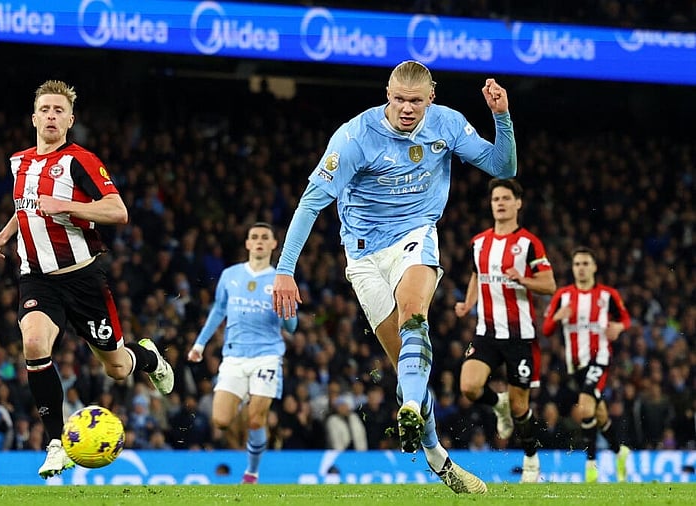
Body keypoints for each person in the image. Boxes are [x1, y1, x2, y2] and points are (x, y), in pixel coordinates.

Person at [273, 60, 517, 494]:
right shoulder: (354, 138)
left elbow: (503, 167)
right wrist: (285, 270)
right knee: (405, 364)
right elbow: (311, 204)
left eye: (416, 101)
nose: (407, 109)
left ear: (432, 97)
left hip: (416, 235)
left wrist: (501, 115)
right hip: (364, 255)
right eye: (399, 99)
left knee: (413, 315)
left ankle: (407, 406)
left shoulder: (447, 124)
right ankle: (436, 453)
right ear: (387, 94)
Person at [0, 80, 174, 479]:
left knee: (117, 368)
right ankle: (56, 443)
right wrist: (6, 234)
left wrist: (68, 206)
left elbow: (117, 211)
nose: (51, 116)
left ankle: (149, 357)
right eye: (45, 110)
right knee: (33, 343)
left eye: (58, 111)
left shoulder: (80, 161)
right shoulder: (19, 161)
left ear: (70, 119)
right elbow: (28, 207)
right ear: (34, 117)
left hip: (82, 279)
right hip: (36, 279)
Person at [454, 177, 556, 483]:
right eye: (495, 199)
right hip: (486, 332)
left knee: (520, 406)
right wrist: (467, 303)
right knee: (469, 387)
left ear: (518, 203)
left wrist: (522, 278)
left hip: (519, 337)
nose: (499, 203)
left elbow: (549, 285)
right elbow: (476, 275)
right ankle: (495, 403)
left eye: (505, 198)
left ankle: (531, 460)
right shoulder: (478, 242)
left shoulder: (528, 243)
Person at [187, 222, 298, 484]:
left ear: (273, 245)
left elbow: (292, 327)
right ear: (247, 244)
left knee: (256, 420)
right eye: (254, 237)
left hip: (267, 356)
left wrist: (286, 310)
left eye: (264, 238)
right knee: (221, 420)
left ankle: (252, 472)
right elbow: (218, 310)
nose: (259, 241)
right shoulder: (230, 275)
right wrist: (199, 345)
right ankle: (248, 394)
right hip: (234, 357)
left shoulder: (281, 280)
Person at [542, 246, 631, 483]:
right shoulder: (563, 296)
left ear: (594, 267)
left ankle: (591, 465)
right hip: (576, 364)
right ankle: (619, 451)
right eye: (577, 264)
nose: (581, 268)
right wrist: (557, 317)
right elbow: (547, 329)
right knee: (598, 412)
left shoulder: (607, 295)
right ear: (573, 268)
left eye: (585, 263)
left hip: (600, 358)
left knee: (585, 406)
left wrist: (619, 328)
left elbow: (625, 319)